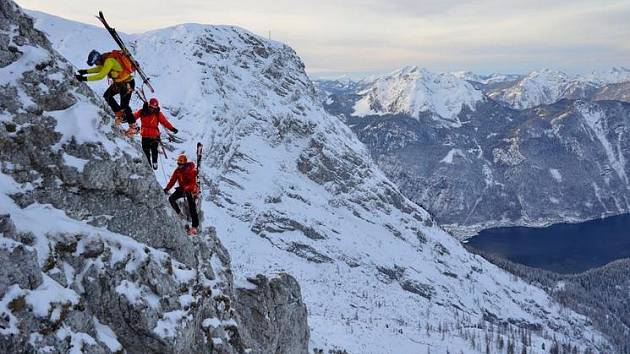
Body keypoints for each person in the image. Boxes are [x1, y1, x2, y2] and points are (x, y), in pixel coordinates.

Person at [75, 49, 136, 136]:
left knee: (124, 106)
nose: (96, 64)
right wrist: (85, 72)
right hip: (120, 83)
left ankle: (133, 127)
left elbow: (101, 75)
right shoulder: (105, 61)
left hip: (127, 84)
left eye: (95, 62)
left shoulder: (109, 61)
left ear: (97, 59)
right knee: (107, 96)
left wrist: (84, 78)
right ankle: (121, 116)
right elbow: (99, 69)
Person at [133, 98, 178, 170]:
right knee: (146, 151)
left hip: (154, 135)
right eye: (151, 107)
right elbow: (134, 116)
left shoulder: (158, 114)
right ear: (148, 106)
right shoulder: (142, 111)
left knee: (154, 150)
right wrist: (127, 118)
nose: (152, 109)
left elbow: (164, 122)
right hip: (145, 135)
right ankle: (148, 165)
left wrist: (172, 128)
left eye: (154, 108)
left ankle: (154, 162)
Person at [164, 154, 199, 235]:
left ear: (185, 163)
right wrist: (167, 189)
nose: (179, 166)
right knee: (171, 199)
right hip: (182, 189)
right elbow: (172, 181)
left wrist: (185, 188)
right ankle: (180, 214)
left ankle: (195, 226)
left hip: (190, 189)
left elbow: (193, 183)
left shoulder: (191, 170)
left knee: (192, 206)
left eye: (181, 164)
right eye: (178, 164)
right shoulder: (177, 171)